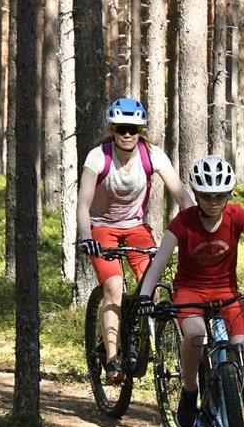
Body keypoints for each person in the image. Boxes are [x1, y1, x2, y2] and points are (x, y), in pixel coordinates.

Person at [136, 154, 244, 427]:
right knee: (194, 334)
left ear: (228, 194)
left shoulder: (236, 216)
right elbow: (159, 262)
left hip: (226, 293)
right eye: (207, 196)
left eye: (220, 195)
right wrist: (145, 295)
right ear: (197, 194)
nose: (214, 201)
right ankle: (190, 390)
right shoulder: (183, 222)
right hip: (190, 291)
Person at [75, 98, 191, 384]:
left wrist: (197, 229)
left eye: (133, 129)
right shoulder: (98, 157)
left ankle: (140, 340)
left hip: (136, 227)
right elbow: (83, 202)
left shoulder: (152, 155)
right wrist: (86, 236)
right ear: (113, 129)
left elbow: (182, 196)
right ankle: (112, 360)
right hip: (101, 227)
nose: (127, 135)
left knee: (151, 287)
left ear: (141, 130)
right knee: (114, 286)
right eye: (122, 129)